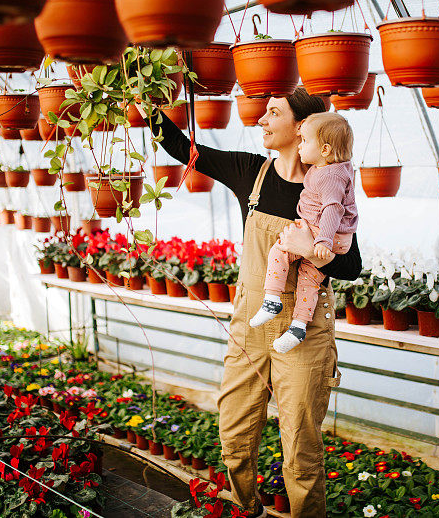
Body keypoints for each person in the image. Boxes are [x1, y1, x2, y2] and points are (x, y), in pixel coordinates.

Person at [139, 88, 362, 518]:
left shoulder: (331, 182)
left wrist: (314, 248)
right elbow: (184, 149)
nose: (261, 119)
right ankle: (247, 508)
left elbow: (351, 265)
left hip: (305, 328)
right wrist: (144, 102)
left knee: (301, 445)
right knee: (234, 432)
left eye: (273, 113)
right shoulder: (249, 171)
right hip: (251, 324)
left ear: (301, 128)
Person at [249, 112, 358, 355]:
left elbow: (333, 208)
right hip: (335, 238)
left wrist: (321, 241)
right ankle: (298, 327)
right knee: (309, 279)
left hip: (325, 234)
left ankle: (272, 299)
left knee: (280, 250)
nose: (300, 145)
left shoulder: (330, 175)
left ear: (326, 149)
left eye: (305, 141)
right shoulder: (334, 168)